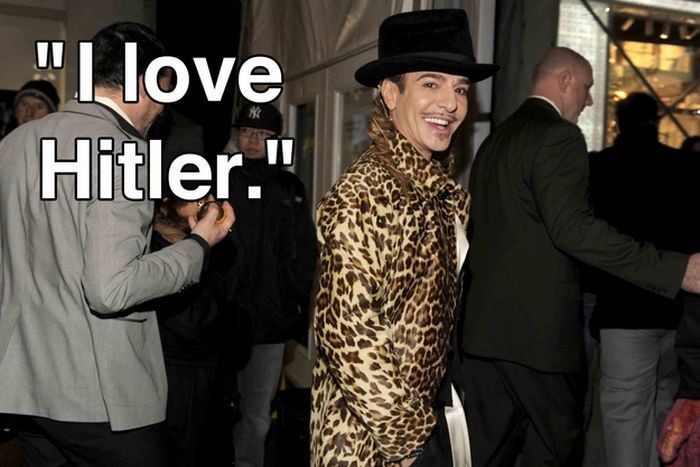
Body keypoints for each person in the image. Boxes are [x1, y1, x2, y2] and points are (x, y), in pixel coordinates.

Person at [0, 22, 234, 466]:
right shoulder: (123, 152)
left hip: (24, 386)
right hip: (98, 394)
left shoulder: (14, 144)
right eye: (165, 90)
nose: (163, 108)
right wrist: (200, 244)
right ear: (145, 83)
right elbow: (110, 289)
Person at [461, 47, 700, 466]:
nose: (589, 100)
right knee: (557, 450)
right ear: (565, 80)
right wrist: (675, 269)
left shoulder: (495, 140)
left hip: (483, 334)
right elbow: (574, 230)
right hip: (538, 339)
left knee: (489, 454)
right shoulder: (559, 135)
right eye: (586, 87)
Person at [310, 9, 498, 467]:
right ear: (391, 94)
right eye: (431, 83)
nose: (451, 104)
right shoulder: (366, 192)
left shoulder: (436, 191)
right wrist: (410, 441)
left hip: (426, 420)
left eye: (460, 89)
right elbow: (349, 335)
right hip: (370, 441)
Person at [588, 92, 693, 466]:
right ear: (657, 121)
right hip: (675, 308)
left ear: (618, 122)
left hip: (623, 311)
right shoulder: (684, 166)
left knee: (626, 414)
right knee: (666, 412)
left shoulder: (599, 167)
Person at [228, 101, 318, 467]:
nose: (253, 140)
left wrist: (295, 309)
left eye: (263, 134)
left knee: (257, 413)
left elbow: (306, 253)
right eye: (247, 132)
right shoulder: (218, 179)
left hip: (270, 321)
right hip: (223, 319)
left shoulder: (290, 187)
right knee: (218, 407)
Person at [151, 195, 237, 467]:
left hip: (208, 373)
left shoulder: (203, 240)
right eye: (198, 196)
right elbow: (193, 321)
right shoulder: (153, 247)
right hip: (175, 374)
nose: (210, 202)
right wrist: (201, 246)